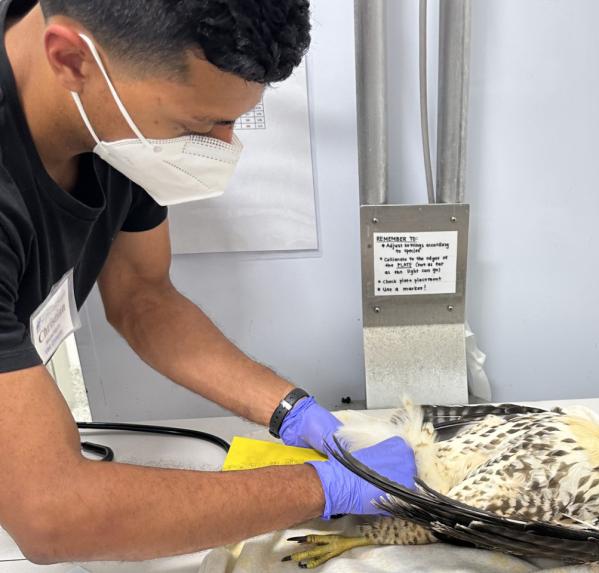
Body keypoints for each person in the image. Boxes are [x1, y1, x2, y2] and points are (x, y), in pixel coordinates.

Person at [0, 0, 416, 564]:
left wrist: (291, 410)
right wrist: (323, 488)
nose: (222, 147)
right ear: (72, 59)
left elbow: (144, 298)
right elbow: (52, 515)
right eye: (198, 124)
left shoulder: (110, 116)